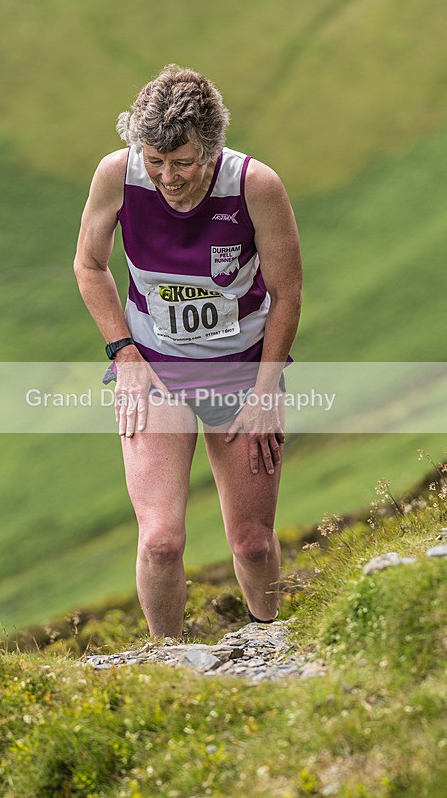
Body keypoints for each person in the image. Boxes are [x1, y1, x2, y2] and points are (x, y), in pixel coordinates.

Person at [74, 64, 302, 639]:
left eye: (182, 162)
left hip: (241, 372)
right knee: (159, 539)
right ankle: (168, 663)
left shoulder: (256, 186)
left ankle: (268, 642)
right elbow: (89, 265)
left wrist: (266, 388)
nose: (167, 178)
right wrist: (124, 355)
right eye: (155, 161)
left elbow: (288, 293)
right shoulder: (116, 175)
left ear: (212, 148)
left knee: (251, 542)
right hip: (155, 370)